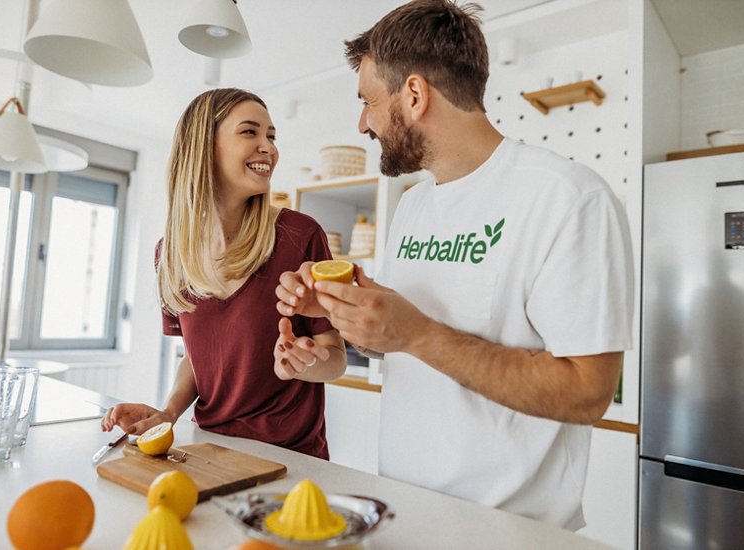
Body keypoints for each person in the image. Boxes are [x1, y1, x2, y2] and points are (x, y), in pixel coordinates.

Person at [275, 0, 634, 528]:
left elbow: (587, 393)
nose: (362, 123)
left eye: (368, 102)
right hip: (402, 515)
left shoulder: (569, 198)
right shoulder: (414, 205)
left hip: (509, 532)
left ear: (415, 95)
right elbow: (392, 342)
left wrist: (417, 333)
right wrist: (344, 311)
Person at [103, 88, 347, 459]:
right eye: (250, 132)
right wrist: (168, 413)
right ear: (204, 148)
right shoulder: (170, 255)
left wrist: (306, 362)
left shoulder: (300, 236)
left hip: (291, 458)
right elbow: (200, 358)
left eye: (271, 135)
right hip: (210, 449)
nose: (269, 147)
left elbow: (336, 357)